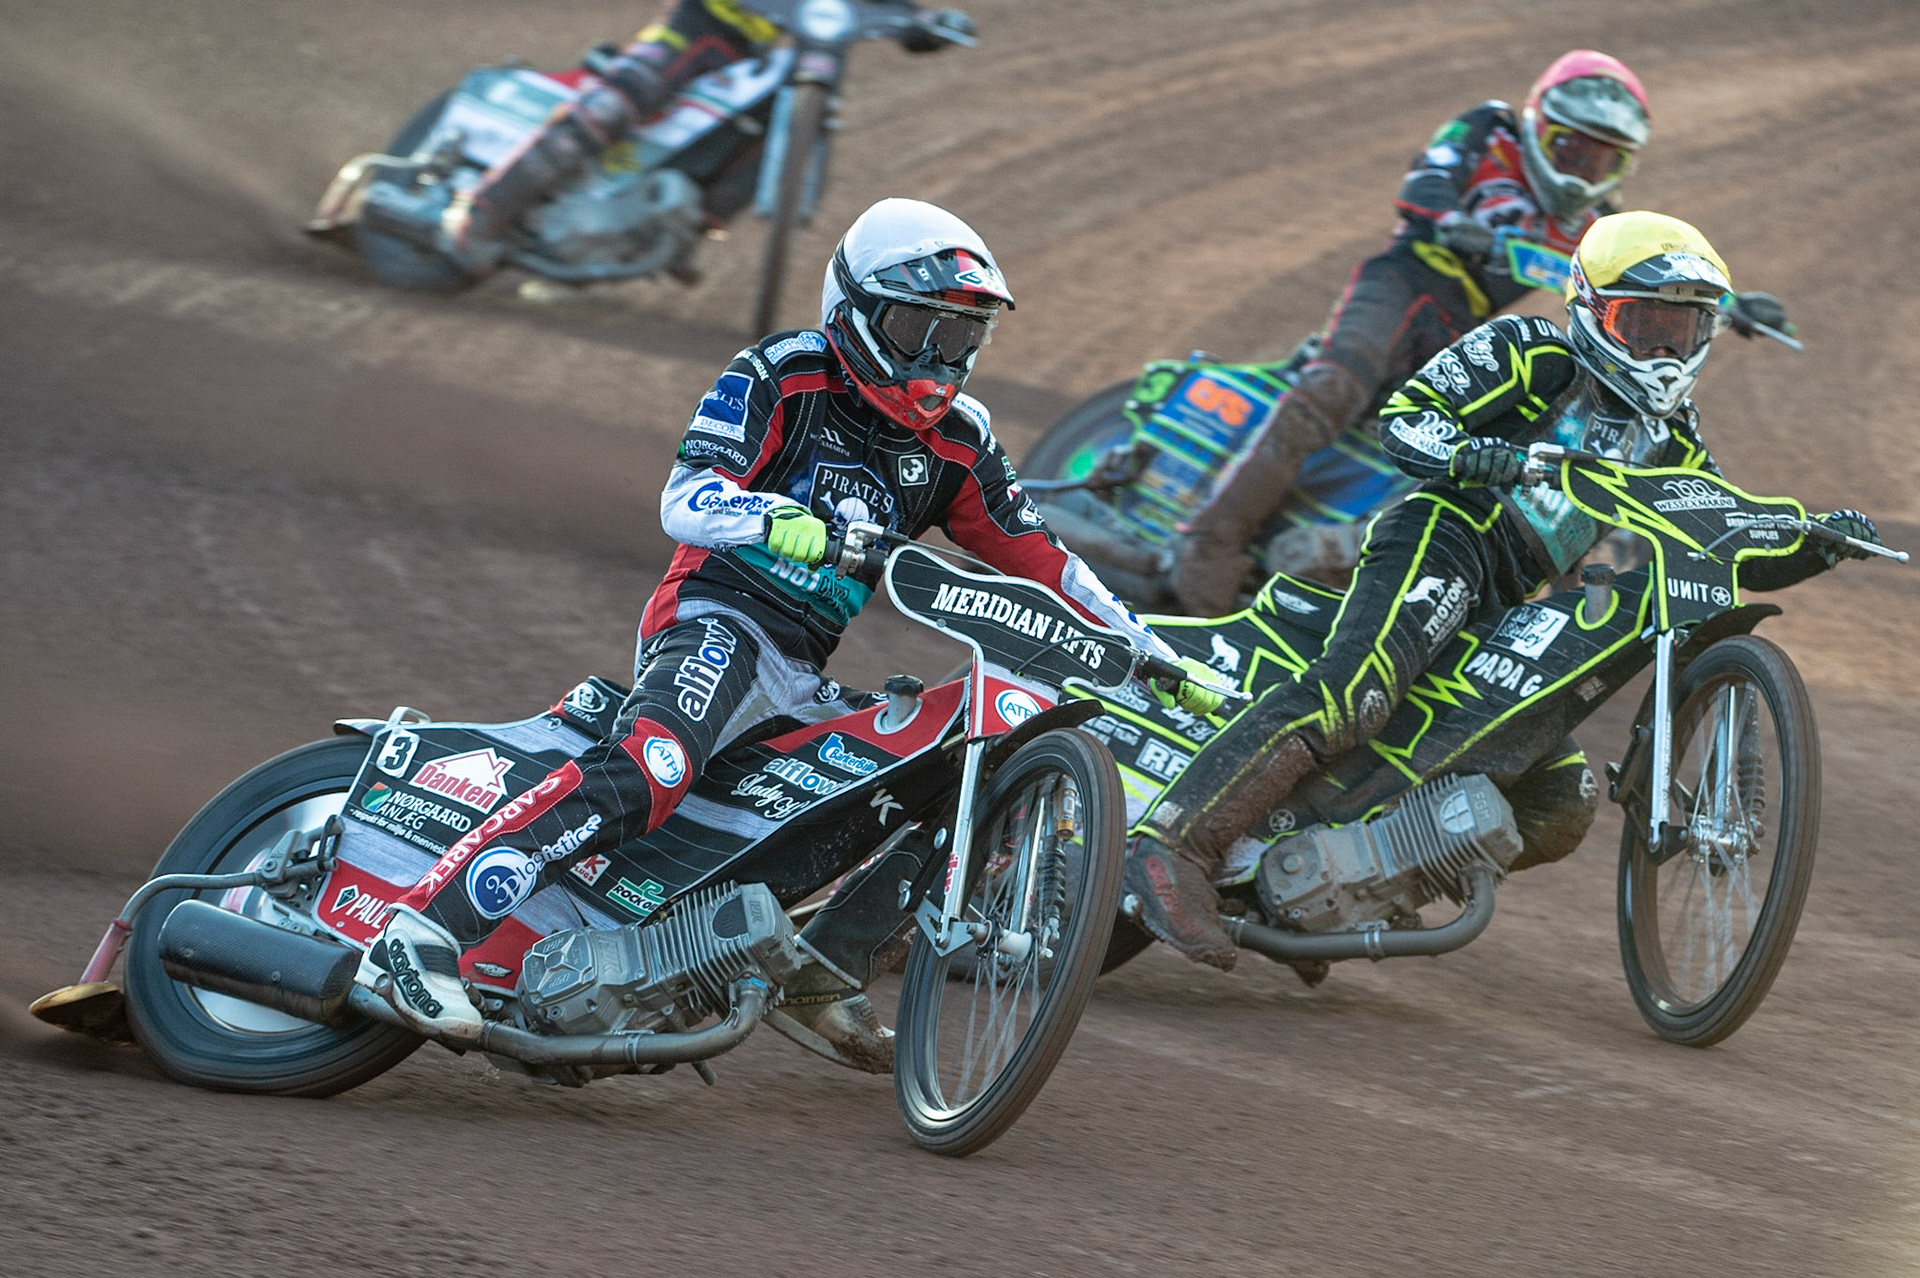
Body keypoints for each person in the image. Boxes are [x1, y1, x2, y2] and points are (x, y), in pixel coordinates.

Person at [355, 198, 1225, 1058]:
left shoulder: (962, 441)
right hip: (718, 617)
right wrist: (770, 517)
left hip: (800, 670)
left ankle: (822, 968)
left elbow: (1047, 562)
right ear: (856, 310)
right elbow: (685, 499)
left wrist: (1154, 653)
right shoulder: (783, 371)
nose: (938, 358)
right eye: (918, 328)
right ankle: (421, 931)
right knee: (655, 766)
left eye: (960, 336)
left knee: (944, 760)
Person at [1126, 210, 1883, 970]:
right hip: (1444, 536)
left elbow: (1721, 538)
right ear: (1593, 310)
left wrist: (1811, 542)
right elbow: (1406, 418)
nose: (1662, 349)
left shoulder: (1673, 438)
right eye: (1643, 323)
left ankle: (1331, 890)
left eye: (1680, 330)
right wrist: (1468, 454)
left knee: (1558, 801)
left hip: (1506, 603)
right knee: (1354, 696)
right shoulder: (1532, 351)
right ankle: (1174, 847)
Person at [1172, 50, 1655, 615]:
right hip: (1403, 283)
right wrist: (1450, 220)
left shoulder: (1597, 224)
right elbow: (1427, 178)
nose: (1583, 169)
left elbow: (1637, 271)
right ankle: (1207, 541)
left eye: (1604, 159)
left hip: (1459, 326)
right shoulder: (1491, 130)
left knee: (1465, 453)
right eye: (1570, 149)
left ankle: (1343, 560)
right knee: (1330, 391)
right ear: (1539, 126)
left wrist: (1720, 300)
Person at [390, 0, 965, 274]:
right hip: (700, 23)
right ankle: (485, 207)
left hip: (760, 50)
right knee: (625, 97)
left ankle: (685, 229)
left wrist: (923, 21)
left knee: (776, 127)